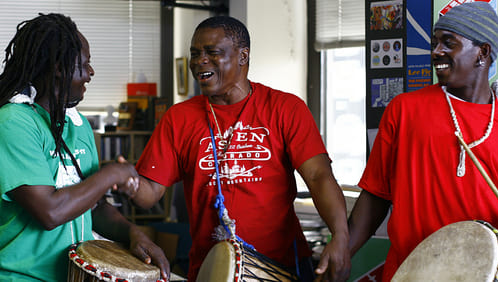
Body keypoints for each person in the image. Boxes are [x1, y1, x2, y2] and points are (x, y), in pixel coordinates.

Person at [134, 16, 350, 281]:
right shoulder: (179, 118)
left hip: (282, 267)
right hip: (211, 270)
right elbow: (150, 192)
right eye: (195, 54)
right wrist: (119, 179)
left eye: (212, 53)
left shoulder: (286, 108)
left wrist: (340, 236)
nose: (200, 61)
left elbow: (319, 176)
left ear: (243, 56)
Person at [0, 13, 169, 281]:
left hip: (75, 274)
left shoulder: (77, 125)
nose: (90, 73)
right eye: (85, 64)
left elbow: (93, 205)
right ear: (59, 67)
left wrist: (132, 232)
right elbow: (50, 211)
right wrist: (112, 173)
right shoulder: (13, 122)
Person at [348, 2, 498, 281]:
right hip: (409, 273)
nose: (436, 52)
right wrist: (341, 253)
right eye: (434, 43)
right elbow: (376, 195)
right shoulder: (404, 109)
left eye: (448, 43)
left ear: (483, 53)